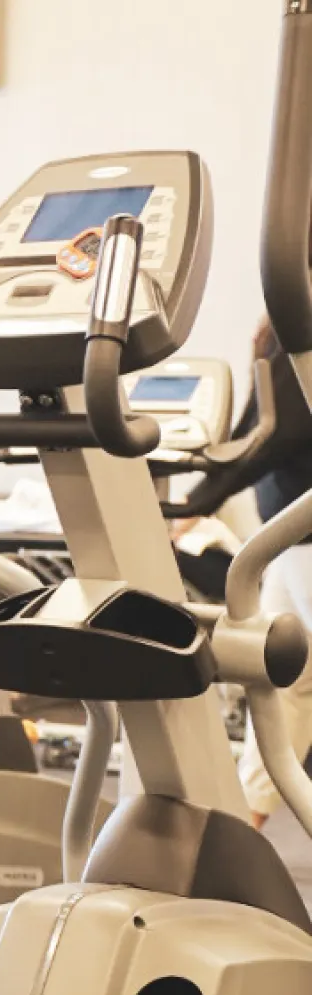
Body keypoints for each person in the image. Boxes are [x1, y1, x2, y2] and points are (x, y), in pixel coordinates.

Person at [232, 316, 312, 828]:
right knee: (285, 683)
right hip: (290, 538)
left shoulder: (299, 312)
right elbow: (255, 427)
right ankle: (241, 833)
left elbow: (279, 432)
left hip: (304, 536)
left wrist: (209, 484)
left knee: (290, 684)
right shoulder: (281, 314)